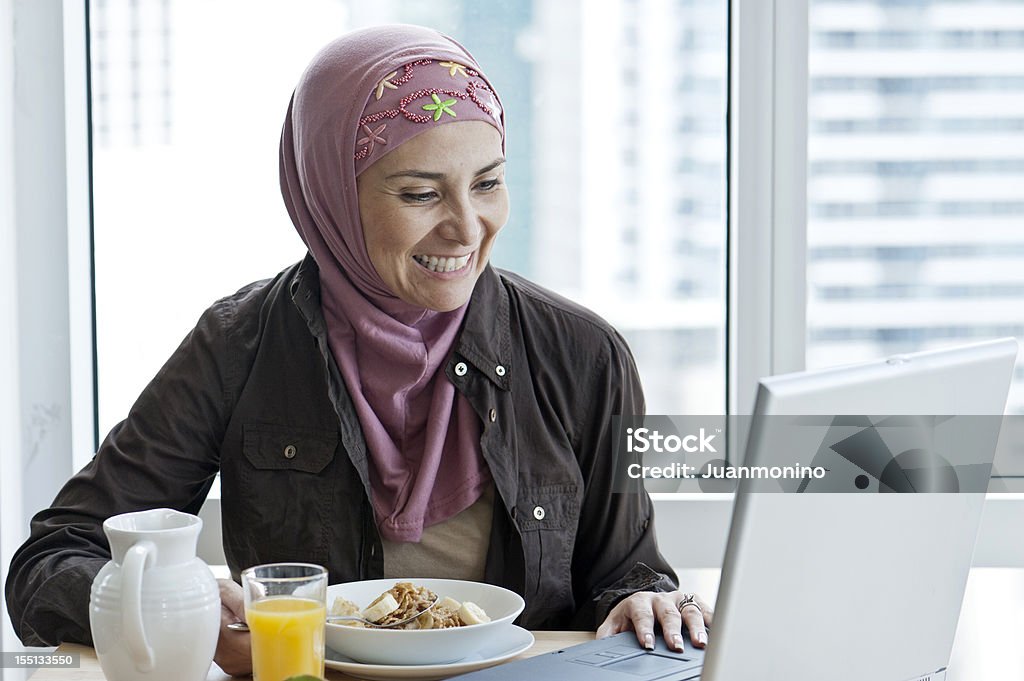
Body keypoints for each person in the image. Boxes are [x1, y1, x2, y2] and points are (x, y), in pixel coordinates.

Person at [5, 24, 712, 675]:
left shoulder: (583, 354)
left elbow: (626, 575)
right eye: (419, 193)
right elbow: (51, 560)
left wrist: (646, 604)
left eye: (488, 183)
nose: (467, 229)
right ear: (330, 196)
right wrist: (181, 608)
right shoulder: (238, 344)